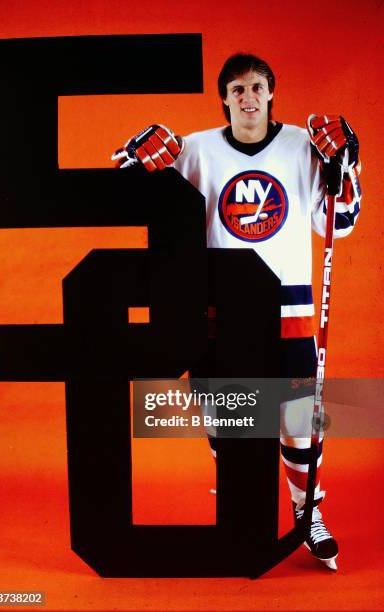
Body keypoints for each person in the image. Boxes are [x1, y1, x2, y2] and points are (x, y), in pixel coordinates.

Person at [111, 53, 361, 571]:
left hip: (287, 307)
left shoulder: (300, 146)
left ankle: (305, 510)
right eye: (237, 89)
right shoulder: (196, 148)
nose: (248, 97)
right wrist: (139, 161)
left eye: (257, 87)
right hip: (221, 311)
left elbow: (336, 223)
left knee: (298, 422)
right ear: (224, 98)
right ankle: (240, 511)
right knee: (230, 419)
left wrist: (346, 168)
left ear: (272, 93)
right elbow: (143, 200)